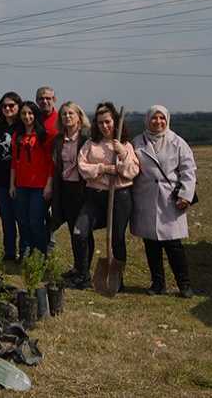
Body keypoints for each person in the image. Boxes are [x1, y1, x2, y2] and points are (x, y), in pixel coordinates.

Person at [71, 102, 140, 290]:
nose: (104, 126)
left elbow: (132, 171)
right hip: (95, 196)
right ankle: (83, 275)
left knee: (117, 238)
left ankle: (117, 281)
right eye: (100, 122)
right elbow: (82, 168)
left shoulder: (124, 145)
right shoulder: (90, 144)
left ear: (115, 122)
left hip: (120, 196)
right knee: (79, 232)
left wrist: (122, 154)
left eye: (108, 122)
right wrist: (103, 168)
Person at [131, 105, 197, 298]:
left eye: (162, 118)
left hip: (170, 200)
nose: (158, 122)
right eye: (154, 118)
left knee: (173, 244)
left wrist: (185, 195)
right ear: (147, 120)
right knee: (151, 244)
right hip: (146, 197)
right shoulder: (138, 142)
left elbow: (188, 170)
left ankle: (184, 284)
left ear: (167, 120)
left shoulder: (177, 142)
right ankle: (158, 283)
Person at [50, 101, 91, 281]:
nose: (67, 117)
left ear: (79, 117)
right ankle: (77, 267)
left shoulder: (87, 138)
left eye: (71, 113)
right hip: (65, 188)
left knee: (82, 231)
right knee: (72, 230)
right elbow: (56, 165)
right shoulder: (59, 140)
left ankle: (84, 272)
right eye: (64, 114)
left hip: (83, 189)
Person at [10, 101, 54, 256]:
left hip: (39, 186)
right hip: (21, 185)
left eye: (30, 113)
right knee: (22, 220)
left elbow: (51, 163)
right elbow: (14, 162)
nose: (27, 116)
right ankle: (25, 251)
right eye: (23, 113)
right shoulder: (17, 136)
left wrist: (49, 185)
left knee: (36, 221)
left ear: (35, 115)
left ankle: (40, 254)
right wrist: (12, 184)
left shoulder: (44, 136)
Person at [0, 92, 23, 261]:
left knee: (22, 218)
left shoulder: (23, 126)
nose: (8, 108)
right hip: (1, 180)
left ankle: (25, 252)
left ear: (19, 106)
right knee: (6, 218)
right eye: (4, 106)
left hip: (21, 180)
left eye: (12, 105)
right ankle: (9, 252)